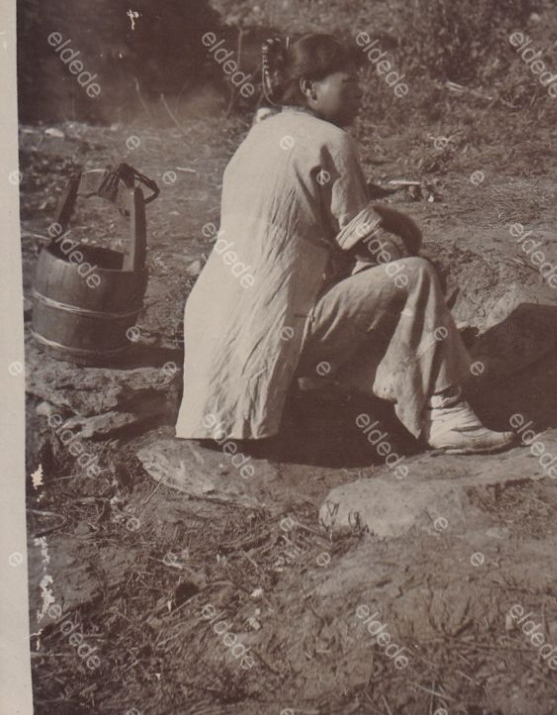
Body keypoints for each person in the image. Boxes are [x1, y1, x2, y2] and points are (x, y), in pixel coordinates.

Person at [175, 33, 514, 454]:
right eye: (348, 84)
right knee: (415, 276)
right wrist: (418, 269)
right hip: (272, 335)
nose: (359, 95)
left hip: (214, 334)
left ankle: (385, 388)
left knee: (354, 280)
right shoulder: (331, 141)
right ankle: (447, 414)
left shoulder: (256, 139)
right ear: (309, 88)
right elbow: (370, 243)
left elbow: (308, 216)